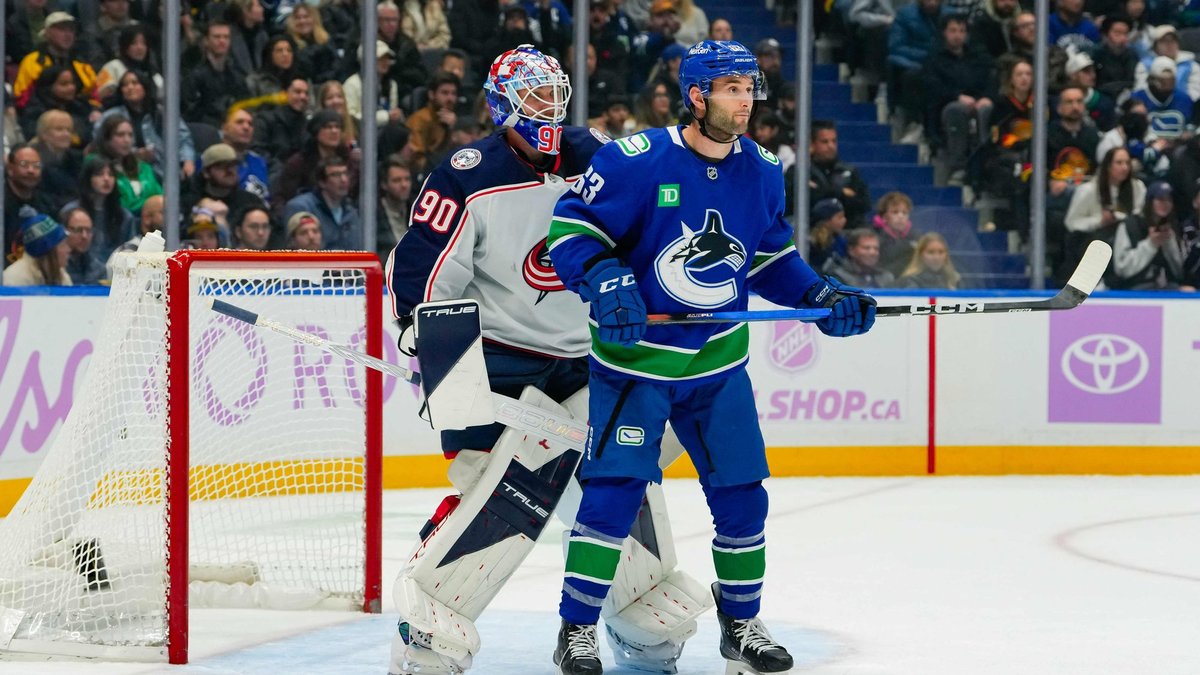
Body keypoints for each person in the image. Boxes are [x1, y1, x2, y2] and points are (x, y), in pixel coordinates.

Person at [546, 40, 876, 675]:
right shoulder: (634, 161)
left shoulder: (760, 168)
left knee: (743, 496)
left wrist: (820, 296)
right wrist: (606, 281)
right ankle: (576, 629)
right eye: (731, 88)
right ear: (695, 96)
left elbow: (770, 258)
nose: (746, 100)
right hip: (635, 364)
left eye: (750, 87)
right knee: (613, 496)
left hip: (717, 366)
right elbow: (572, 231)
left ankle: (742, 622)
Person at [385, 45, 664, 675]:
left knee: (624, 478)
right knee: (490, 488)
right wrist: (417, 326)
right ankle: (428, 610)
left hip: (588, 356)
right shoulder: (466, 173)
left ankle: (638, 605)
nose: (547, 107)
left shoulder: (599, 160)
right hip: (497, 359)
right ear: (501, 104)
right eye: (533, 94)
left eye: (553, 92)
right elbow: (425, 261)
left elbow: (646, 233)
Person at [1110, 180, 1186, 289]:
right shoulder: (1130, 225)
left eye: (1169, 200)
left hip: (1168, 287)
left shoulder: (1173, 226)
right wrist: (1151, 244)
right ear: (1150, 201)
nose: (1165, 204)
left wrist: (1169, 243)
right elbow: (1122, 268)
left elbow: (1179, 271)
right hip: (1135, 288)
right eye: (1160, 199)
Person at [62, 156, 136, 262]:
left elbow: (130, 251)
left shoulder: (124, 216)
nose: (106, 179)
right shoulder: (71, 212)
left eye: (110, 175)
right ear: (88, 179)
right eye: (99, 174)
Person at [282, 156, 361, 250]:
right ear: (322, 182)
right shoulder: (300, 207)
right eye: (335, 175)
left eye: (345, 173)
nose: (344, 180)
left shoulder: (351, 211)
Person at [3, 207, 72, 286]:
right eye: (63, 245)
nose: (69, 250)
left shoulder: (62, 276)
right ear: (48, 250)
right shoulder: (14, 279)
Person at [823, 227, 896, 287]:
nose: (872, 252)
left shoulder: (886, 278)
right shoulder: (838, 278)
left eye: (876, 248)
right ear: (851, 251)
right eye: (866, 248)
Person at [872, 191, 920, 275]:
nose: (900, 216)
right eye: (895, 212)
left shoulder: (917, 237)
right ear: (884, 217)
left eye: (904, 213)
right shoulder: (874, 237)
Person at [60, 206, 107, 285]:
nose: (84, 236)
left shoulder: (98, 270)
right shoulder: (56, 268)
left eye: (88, 230)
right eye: (78, 230)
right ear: (65, 231)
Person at [896, 232, 961, 288]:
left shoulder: (954, 279)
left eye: (941, 252)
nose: (936, 257)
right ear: (921, 255)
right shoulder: (910, 281)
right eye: (931, 252)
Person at [808, 197, 848, 271]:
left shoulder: (841, 240)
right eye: (840, 217)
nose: (844, 220)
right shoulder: (810, 244)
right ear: (826, 220)